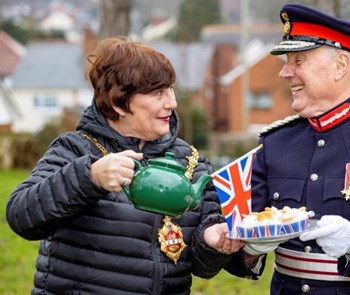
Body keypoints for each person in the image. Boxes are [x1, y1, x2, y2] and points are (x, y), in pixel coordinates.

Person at [6, 37, 243, 295]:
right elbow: (21, 216)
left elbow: (201, 266)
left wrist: (211, 243)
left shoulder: (191, 162)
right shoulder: (74, 149)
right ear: (118, 102)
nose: (172, 103)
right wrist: (90, 177)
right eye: (158, 93)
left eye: (171, 89)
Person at [224, 3, 350, 295]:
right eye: (286, 61)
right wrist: (250, 249)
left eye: (298, 60)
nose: (285, 72)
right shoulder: (274, 143)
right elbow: (237, 251)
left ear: (340, 66)